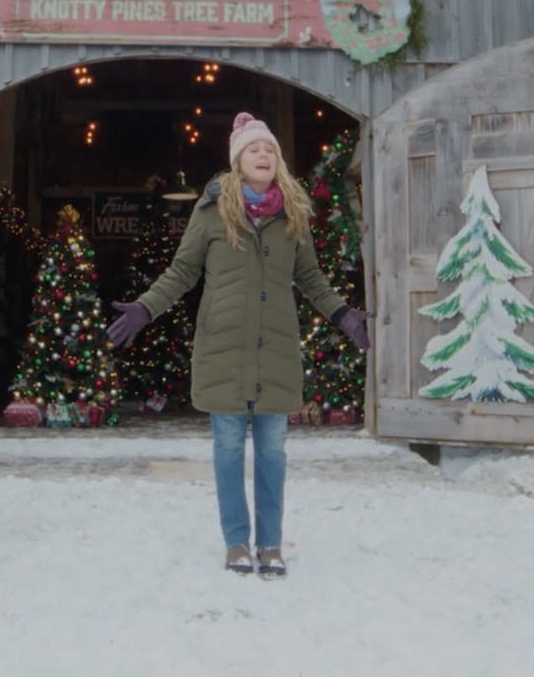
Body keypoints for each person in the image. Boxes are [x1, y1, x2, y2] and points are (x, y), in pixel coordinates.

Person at [106, 112, 370, 578]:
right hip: (223, 350)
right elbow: (182, 272)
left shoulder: (293, 215)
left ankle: (270, 544)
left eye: (269, 150)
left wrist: (344, 316)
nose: (263, 155)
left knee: (272, 454)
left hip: (276, 352)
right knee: (228, 451)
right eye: (254, 149)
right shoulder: (211, 212)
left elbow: (310, 278)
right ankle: (236, 543)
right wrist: (146, 308)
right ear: (237, 160)